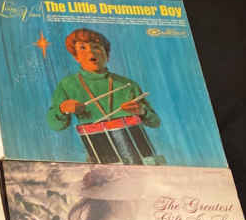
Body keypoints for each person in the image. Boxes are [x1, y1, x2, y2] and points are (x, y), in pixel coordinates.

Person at [47, 28, 162, 164]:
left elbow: (155, 122)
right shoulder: (67, 85)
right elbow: (55, 125)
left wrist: (142, 111)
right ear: (76, 57)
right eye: (83, 48)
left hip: (142, 160)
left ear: (107, 55)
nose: (91, 52)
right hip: (101, 160)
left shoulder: (127, 84)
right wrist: (62, 109)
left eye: (96, 47)